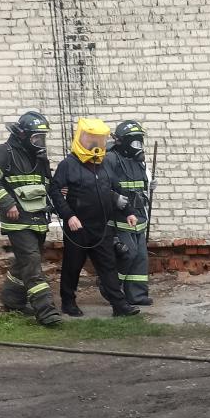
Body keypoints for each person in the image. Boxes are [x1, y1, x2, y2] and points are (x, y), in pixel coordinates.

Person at [48, 117, 140, 318]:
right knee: (72, 266)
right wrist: (69, 216)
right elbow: (54, 191)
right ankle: (68, 302)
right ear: (82, 139)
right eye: (92, 139)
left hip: (101, 226)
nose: (95, 143)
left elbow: (117, 189)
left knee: (108, 265)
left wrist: (129, 211)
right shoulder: (68, 164)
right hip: (77, 227)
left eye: (99, 139)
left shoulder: (103, 164)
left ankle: (119, 305)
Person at [0, 110, 62, 326]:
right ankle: (46, 312)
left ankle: (12, 300)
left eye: (42, 137)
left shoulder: (38, 156)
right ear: (22, 135)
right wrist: (8, 203)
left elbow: (46, 184)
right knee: (32, 263)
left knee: (25, 262)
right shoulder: (3, 152)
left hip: (38, 219)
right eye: (36, 137)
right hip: (18, 221)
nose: (40, 142)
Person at [102, 119, 152, 306]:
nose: (138, 146)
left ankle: (137, 295)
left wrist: (149, 186)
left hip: (138, 217)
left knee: (140, 257)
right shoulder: (110, 159)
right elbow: (100, 184)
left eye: (140, 141)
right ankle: (110, 288)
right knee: (127, 254)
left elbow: (139, 183)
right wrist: (114, 198)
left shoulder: (138, 161)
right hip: (119, 218)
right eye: (134, 141)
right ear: (121, 141)